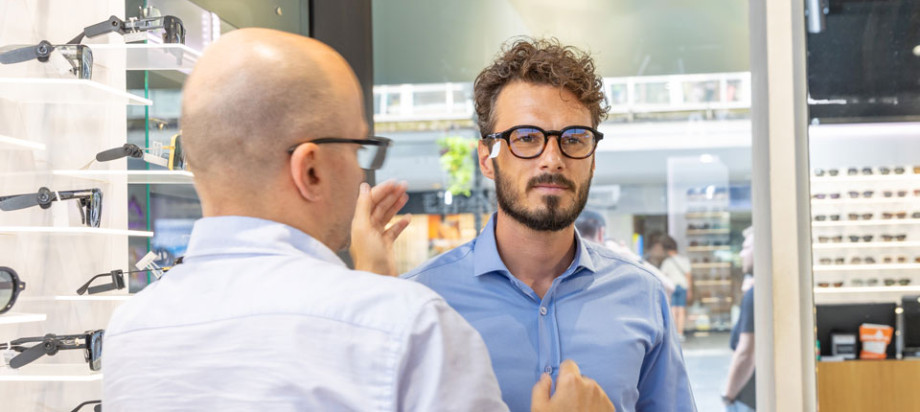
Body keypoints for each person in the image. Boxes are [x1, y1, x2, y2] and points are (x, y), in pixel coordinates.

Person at [102, 28, 614, 412]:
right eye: (359, 148)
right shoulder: (409, 323)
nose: (551, 158)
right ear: (310, 169)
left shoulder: (130, 330)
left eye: (572, 139)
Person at [404, 38, 695, 412]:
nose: (553, 159)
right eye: (526, 138)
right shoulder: (423, 301)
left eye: (574, 139)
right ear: (486, 159)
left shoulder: (643, 296)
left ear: (592, 160)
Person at [575, 210, 675, 295]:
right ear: (601, 233)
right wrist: (632, 258)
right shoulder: (613, 263)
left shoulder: (567, 265)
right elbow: (668, 287)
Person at [722, 227, 755, 411]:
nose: (742, 253)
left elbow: (746, 353)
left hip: (748, 399)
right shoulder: (756, 291)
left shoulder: (755, 295)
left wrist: (728, 394)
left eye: (747, 247)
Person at [657, 235, 693, 341]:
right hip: (683, 286)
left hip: (671, 288)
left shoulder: (667, 262)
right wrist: (690, 290)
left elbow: (662, 276)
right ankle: (680, 333)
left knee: (672, 310)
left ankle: (673, 334)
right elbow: (688, 276)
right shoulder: (684, 260)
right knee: (681, 310)